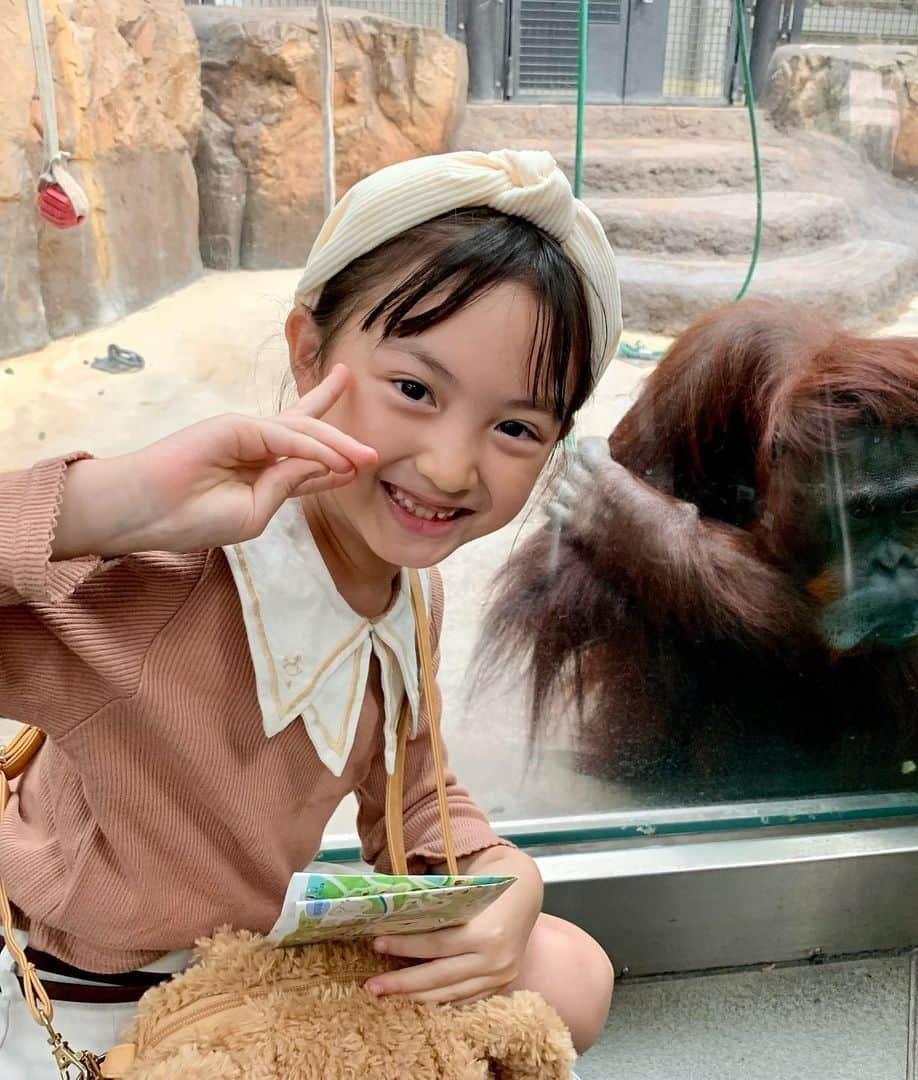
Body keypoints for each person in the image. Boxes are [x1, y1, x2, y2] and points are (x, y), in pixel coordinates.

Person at [0, 149, 623, 1076]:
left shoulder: (413, 588)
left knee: (577, 972)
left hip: (251, 956)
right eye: (414, 390)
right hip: (89, 977)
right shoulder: (174, 575)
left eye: (515, 427)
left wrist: (505, 878)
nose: (452, 468)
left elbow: (414, 791)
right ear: (308, 351)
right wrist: (111, 504)